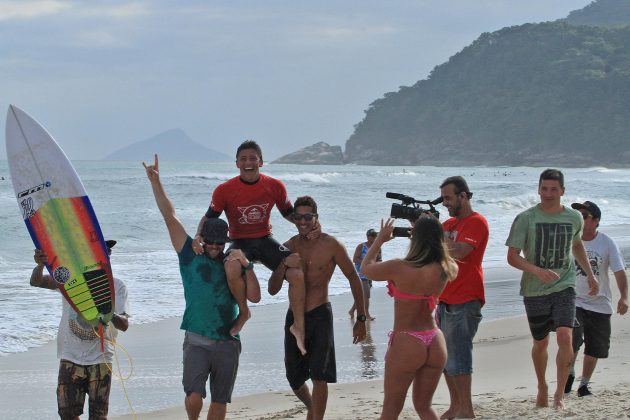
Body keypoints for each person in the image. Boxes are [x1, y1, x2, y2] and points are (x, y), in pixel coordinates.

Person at [144, 154, 256, 420]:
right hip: (196, 337)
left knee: (220, 400)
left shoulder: (233, 261)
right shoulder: (189, 254)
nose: (216, 247)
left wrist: (247, 264)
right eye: (212, 242)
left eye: (220, 243)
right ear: (202, 239)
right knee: (194, 395)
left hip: (228, 339)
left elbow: (254, 295)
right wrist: (156, 182)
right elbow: (169, 217)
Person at [192, 140, 308, 354]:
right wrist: (198, 236)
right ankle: (244, 312)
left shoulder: (275, 186)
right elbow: (208, 218)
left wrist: (308, 226)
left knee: (297, 271)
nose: (248, 163)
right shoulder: (225, 190)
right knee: (231, 266)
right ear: (236, 163)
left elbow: (289, 214)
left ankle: (298, 325)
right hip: (239, 241)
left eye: (253, 158)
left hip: (265, 239)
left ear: (261, 162)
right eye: (243, 159)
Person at [506, 168, 599, 409]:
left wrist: (590, 275)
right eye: (544, 189)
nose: (548, 194)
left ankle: (559, 392)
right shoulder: (526, 218)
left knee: (566, 336)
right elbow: (512, 256)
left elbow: (577, 245)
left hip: (564, 284)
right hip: (534, 289)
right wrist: (537, 271)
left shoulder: (574, 217)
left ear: (562, 191)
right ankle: (542, 386)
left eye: (554, 189)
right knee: (540, 343)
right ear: (538, 189)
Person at [267, 195, 367, 420]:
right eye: (298, 217)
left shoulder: (330, 244)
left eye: (308, 217)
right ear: (293, 218)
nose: (303, 221)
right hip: (294, 317)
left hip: (320, 313)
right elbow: (272, 289)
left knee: (320, 376)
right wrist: (283, 264)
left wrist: (361, 318)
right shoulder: (289, 246)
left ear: (316, 217)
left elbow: (353, 277)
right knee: (294, 377)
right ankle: (312, 407)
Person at [361, 217, 458, 420]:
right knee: (424, 407)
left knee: (390, 410)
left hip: (408, 340)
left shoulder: (399, 267)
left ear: (415, 238)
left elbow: (365, 268)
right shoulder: (447, 268)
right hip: (434, 340)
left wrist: (379, 239)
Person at [30, 241, 129, 420]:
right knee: (67, 413)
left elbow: (124, 324)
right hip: (70, 357)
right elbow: (36, 282)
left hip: (101, 359)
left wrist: (109, 313)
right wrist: (40, 265)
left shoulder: (116, 285)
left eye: (106, 252)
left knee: (98, 416)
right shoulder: (70, 279)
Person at [437, 176, 489, 420]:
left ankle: (466, 410)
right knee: (445, 358)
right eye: (443, 198)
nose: (445, 203)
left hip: (466, 296)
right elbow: (429, 253)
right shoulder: (446, 224)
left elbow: (459, 252)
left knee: (459, 354)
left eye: (448, 198)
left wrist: (437, 235)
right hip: (444, 297)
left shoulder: (476, 222)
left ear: (464, 196)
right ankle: (455, 406)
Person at [564, 200, 628, 397]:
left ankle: (584, 385)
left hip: (600, 303)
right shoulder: (570, 240)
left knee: (595, 347)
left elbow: (619, 271)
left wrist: (624, 297)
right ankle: (569, 374)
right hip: (574, 300)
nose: (580, 219)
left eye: (585, 216)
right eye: (578, 216)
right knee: (572, 340)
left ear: (596, 221)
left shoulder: (607, 243)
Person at [348, 228, 381, 320]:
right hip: (361, 273)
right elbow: (355, 259)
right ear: (368, 237)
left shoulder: (377, 247)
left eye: (376, 236)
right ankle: (367, 314)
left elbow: (379, 260)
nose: (375, 237)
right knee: (366, 295)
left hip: (371, 273)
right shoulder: (361, 246)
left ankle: (351, 310)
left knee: (362, 295)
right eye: (373, 236)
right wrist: (366, 262)